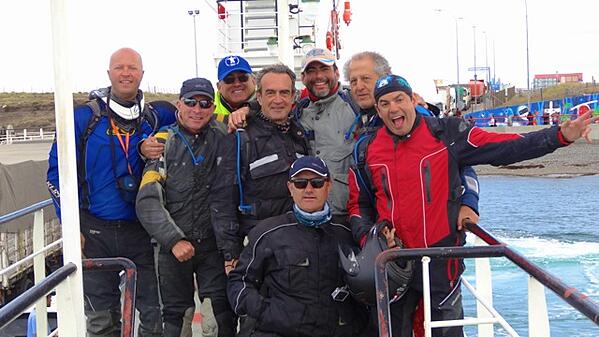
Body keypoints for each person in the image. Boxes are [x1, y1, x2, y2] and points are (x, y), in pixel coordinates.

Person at [347, 74, 597, 337]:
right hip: (392, 261)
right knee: (391, 331)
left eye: (399, 99)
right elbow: (358, 205)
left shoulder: (448, 133)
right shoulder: (368, 149)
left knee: (448, 331)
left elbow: (507, 147)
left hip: (442, 259)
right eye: (385, 103)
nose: (393, 108)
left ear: (412, 100)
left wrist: (560, 135)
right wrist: (370, 237)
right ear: (378, 110)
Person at [46, 47, 175, 337]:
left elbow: (195, 120)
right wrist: (70, 224)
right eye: (119, 67)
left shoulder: (156, 117)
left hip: (143, 232)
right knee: (101, 320)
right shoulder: (83, 118)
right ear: (109, 73)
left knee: (155, 317)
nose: (126, 73)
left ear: (142, 74)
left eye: (132, 68)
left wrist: (149, 143)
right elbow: (55, 173)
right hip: (94, 232)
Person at [136, 77, 235, 337]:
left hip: (214, 246)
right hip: (173, 250)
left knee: (219, 315)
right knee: (176, 318)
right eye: (190, 102)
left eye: (205, 103)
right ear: (179, 103)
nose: (197, 109)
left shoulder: (226, 131)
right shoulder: (161, 142)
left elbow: (257, 113)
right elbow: (147, 201)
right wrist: (173, 239)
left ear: (213, 108)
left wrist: (248, 110)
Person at [227, 156, 368, 337]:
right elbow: (238, 282)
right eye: (300, 183)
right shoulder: (267, 233)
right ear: (290, 188)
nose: (309, 189)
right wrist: (266, 312)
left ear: (328, 186)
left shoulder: (346, 234)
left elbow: (365, 292)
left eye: (317, 183)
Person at [343, 51, 480, 233]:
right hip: (386, 237)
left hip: (432, 238)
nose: (359, 87)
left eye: (366, 79)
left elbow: (463, 165)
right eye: (353, 81)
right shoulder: (360, 125)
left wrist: (469, 202)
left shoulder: (419, 119)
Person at [210, 64, 310, 274]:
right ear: (259, 97)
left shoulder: (300, 136)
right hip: (258, 250)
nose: (277, 99)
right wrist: (231, 254)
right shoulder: (239, 137)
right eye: (270, 93)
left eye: (284, 93)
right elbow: (223, 200)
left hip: (299, 246)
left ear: (294, 96)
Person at [214, 55, 257, 124]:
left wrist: (252, 109)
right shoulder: (207, 106)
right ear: (219, 87)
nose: (237, 84)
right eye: (229, 80)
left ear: (254, 81)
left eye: (243, 78)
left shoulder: (267, 102)